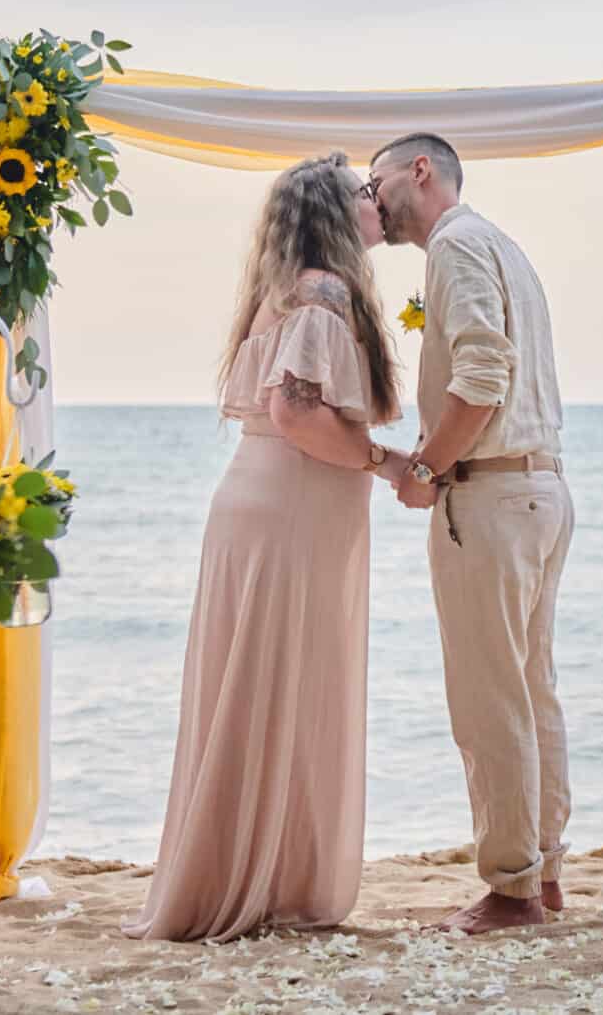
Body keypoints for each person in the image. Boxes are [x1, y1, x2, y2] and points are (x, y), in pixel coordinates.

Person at [124, 153, 407, 942]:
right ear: (333, 213)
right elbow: (294, 410)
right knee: (288, 681)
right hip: (292, 506)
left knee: (259, 684)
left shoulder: (280, 293)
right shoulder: (323, 293)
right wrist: (386, 463)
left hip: (259, 501)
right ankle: (270, 879)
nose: (376, 199)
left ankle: (251, 869)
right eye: (362, 191)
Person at [367, 132, 573, 936]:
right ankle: (542, 872)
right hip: (539, 487)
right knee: (531, 688)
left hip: (491, 495)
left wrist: (427, 468)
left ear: (420, 170)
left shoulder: (455, 245)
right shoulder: (500, 244)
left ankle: (513, 887)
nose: (373, 196)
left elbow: (483, 376)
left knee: (489, 698)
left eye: (378, 179)